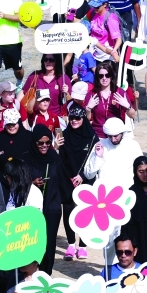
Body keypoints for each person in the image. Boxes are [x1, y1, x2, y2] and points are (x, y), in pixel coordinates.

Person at [22, 126, 71, 274]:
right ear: (34, 143)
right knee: (32, 241)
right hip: (32, 207)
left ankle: (45, 274)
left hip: (52, 206)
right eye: (40, 143)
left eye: (47, 142)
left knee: (49, 243)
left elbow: (63, 179)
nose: (44, 146)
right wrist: (31, 183)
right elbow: (18, 181)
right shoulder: (26, 158)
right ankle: (31, 273)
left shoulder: (54, 158)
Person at [60, 103, 96, 260]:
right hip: (67, 178)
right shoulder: (64, 136)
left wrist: (82, 175)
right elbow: (60, 159)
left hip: (86, 178)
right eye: (72, 118)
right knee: (68, 210)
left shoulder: (92, 137)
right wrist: (70, 177)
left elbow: (94, 160)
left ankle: (82, 245)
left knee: (85, 212)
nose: (74, 121)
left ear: (83, 119)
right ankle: (70, 244)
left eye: (78, 118)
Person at [84, 117, 143, 189]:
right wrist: (98, 158)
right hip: (106, 193)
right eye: (109, 136)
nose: (113, 139)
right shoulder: (100, 145)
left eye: (115, 136)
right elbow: (88, 175)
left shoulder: (133, 145)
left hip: (127, 192)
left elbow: (141, 170)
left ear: (122, 132)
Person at [86, 62, 136, 138]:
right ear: (97, 77)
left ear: (111, 77)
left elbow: (132, 115)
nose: (104, 78)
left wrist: (127, 106)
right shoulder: (92, 94)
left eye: (107, 75)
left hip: (115, 135)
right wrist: (88, 108)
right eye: (101, 76)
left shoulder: (120, 92)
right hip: (99, 135)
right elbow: (86, 119)